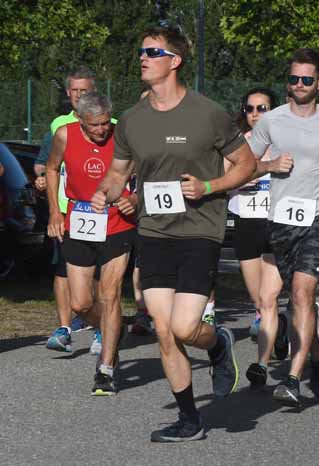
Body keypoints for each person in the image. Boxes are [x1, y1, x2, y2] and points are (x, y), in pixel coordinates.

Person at [91, 26, 256, 442]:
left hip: (200, 231)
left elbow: (246, 164)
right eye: (141, 51)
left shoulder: (208, 113)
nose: (142, 58)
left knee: (185, 327)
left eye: (152, 51)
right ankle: (190, 420)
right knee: (164, 329)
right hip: (153, 232)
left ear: (175, 60)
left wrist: (208, 187)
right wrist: (104, 192)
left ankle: (218, 343)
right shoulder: (130, 119)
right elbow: (117, 174)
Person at [248, 48, 319, 406]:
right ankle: (317, 354)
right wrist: (268, 166)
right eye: (294, 79)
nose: (299, 84)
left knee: (302, 293)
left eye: (306, 79)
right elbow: (245, 162)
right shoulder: (271, 121)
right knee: (294, 299)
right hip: (281, 219)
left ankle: (294, 378)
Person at [45, 92, 136, 395]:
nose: (101, 130)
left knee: (109, 294)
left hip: (116, 222)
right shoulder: (64, 134)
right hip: (80, 218)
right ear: (80, 120)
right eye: (94, 125)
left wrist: (133, 199)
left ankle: (106, 368)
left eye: (104, 124)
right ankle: (113, 329)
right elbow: (51, 168)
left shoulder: (122, 133)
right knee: (80, 303)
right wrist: (55, 211)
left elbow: (146, 168)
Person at [223, 87, 288, 387]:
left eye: (262, 108)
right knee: (257, 300)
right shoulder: (237, 143)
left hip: (277, 223)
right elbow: (225, 178)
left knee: (268, 297)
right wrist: (246, 176)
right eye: (250, 109)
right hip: (246, 223)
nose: (255, 114)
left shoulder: (286, 140)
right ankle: (280, 327)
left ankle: (261, 364)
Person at [34, 66, 101, 352]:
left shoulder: (110, 122)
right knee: (63, 269)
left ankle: (101, 328)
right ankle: (63, 328)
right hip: (67, 210)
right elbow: (44, 162)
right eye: (73, 90)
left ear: (94, 91)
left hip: (101, 211)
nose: (77, 95)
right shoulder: (59, 125)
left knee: (95, 273)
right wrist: (40, 178)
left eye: (83, 90)